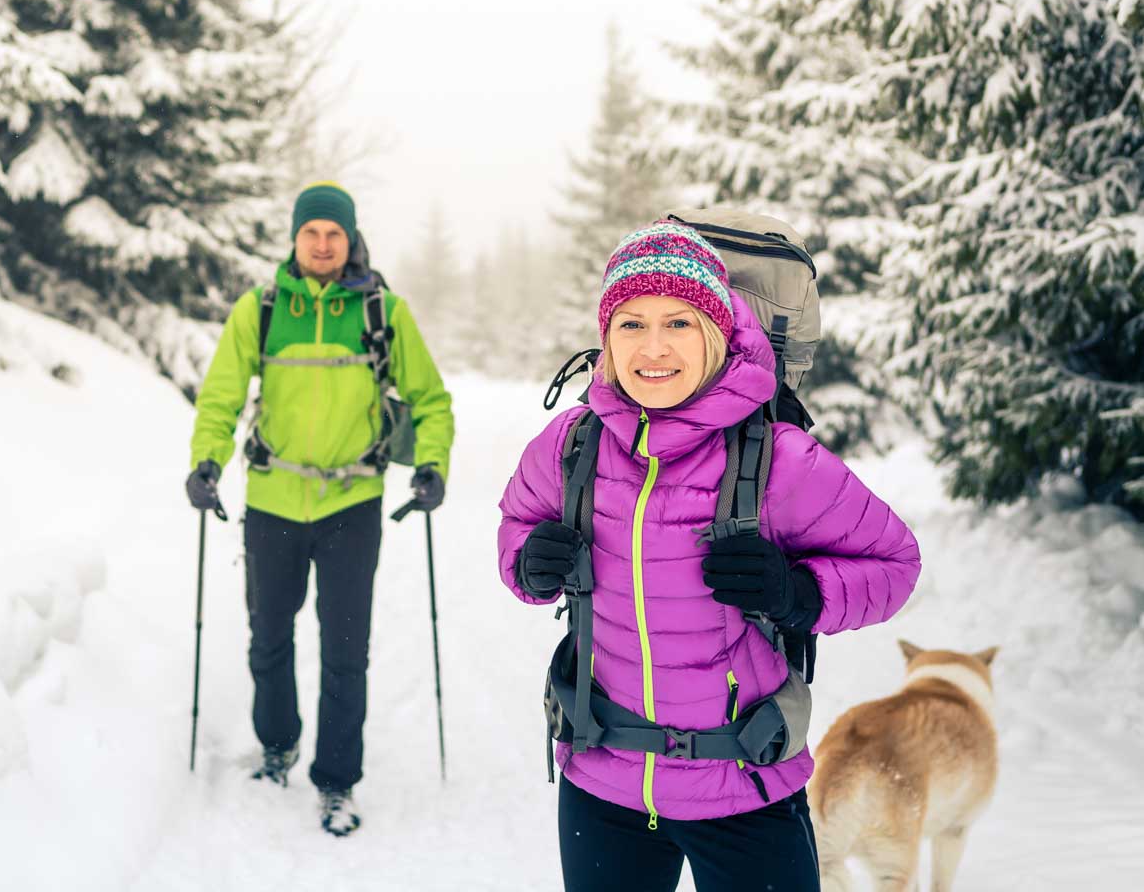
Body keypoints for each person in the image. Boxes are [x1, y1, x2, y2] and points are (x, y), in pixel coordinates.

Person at [497, 221, 921, 891]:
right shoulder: (571, 445)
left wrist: (799, 594)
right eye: (631, 324)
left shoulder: (779, 459)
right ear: (606, 338)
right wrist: (527, 564)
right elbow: (518, 523)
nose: (654, 347)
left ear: (717, 332)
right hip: (604, 782)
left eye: (679, 322)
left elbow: (894, 566)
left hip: (744, 785)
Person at [187, 182, 455, 837]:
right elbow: (221, 396)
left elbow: (431, 399)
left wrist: (431, 466)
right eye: (312, 232)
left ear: (350, 237)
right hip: (273, 500)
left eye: (334, 233)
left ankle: (337, 782)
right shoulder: (262, 308)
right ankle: (277, 745)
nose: (323, 243)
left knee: (345, 652)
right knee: (268, 638)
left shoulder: (382, 311)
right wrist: (206, 460)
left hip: (351, 505)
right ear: (296, 237)